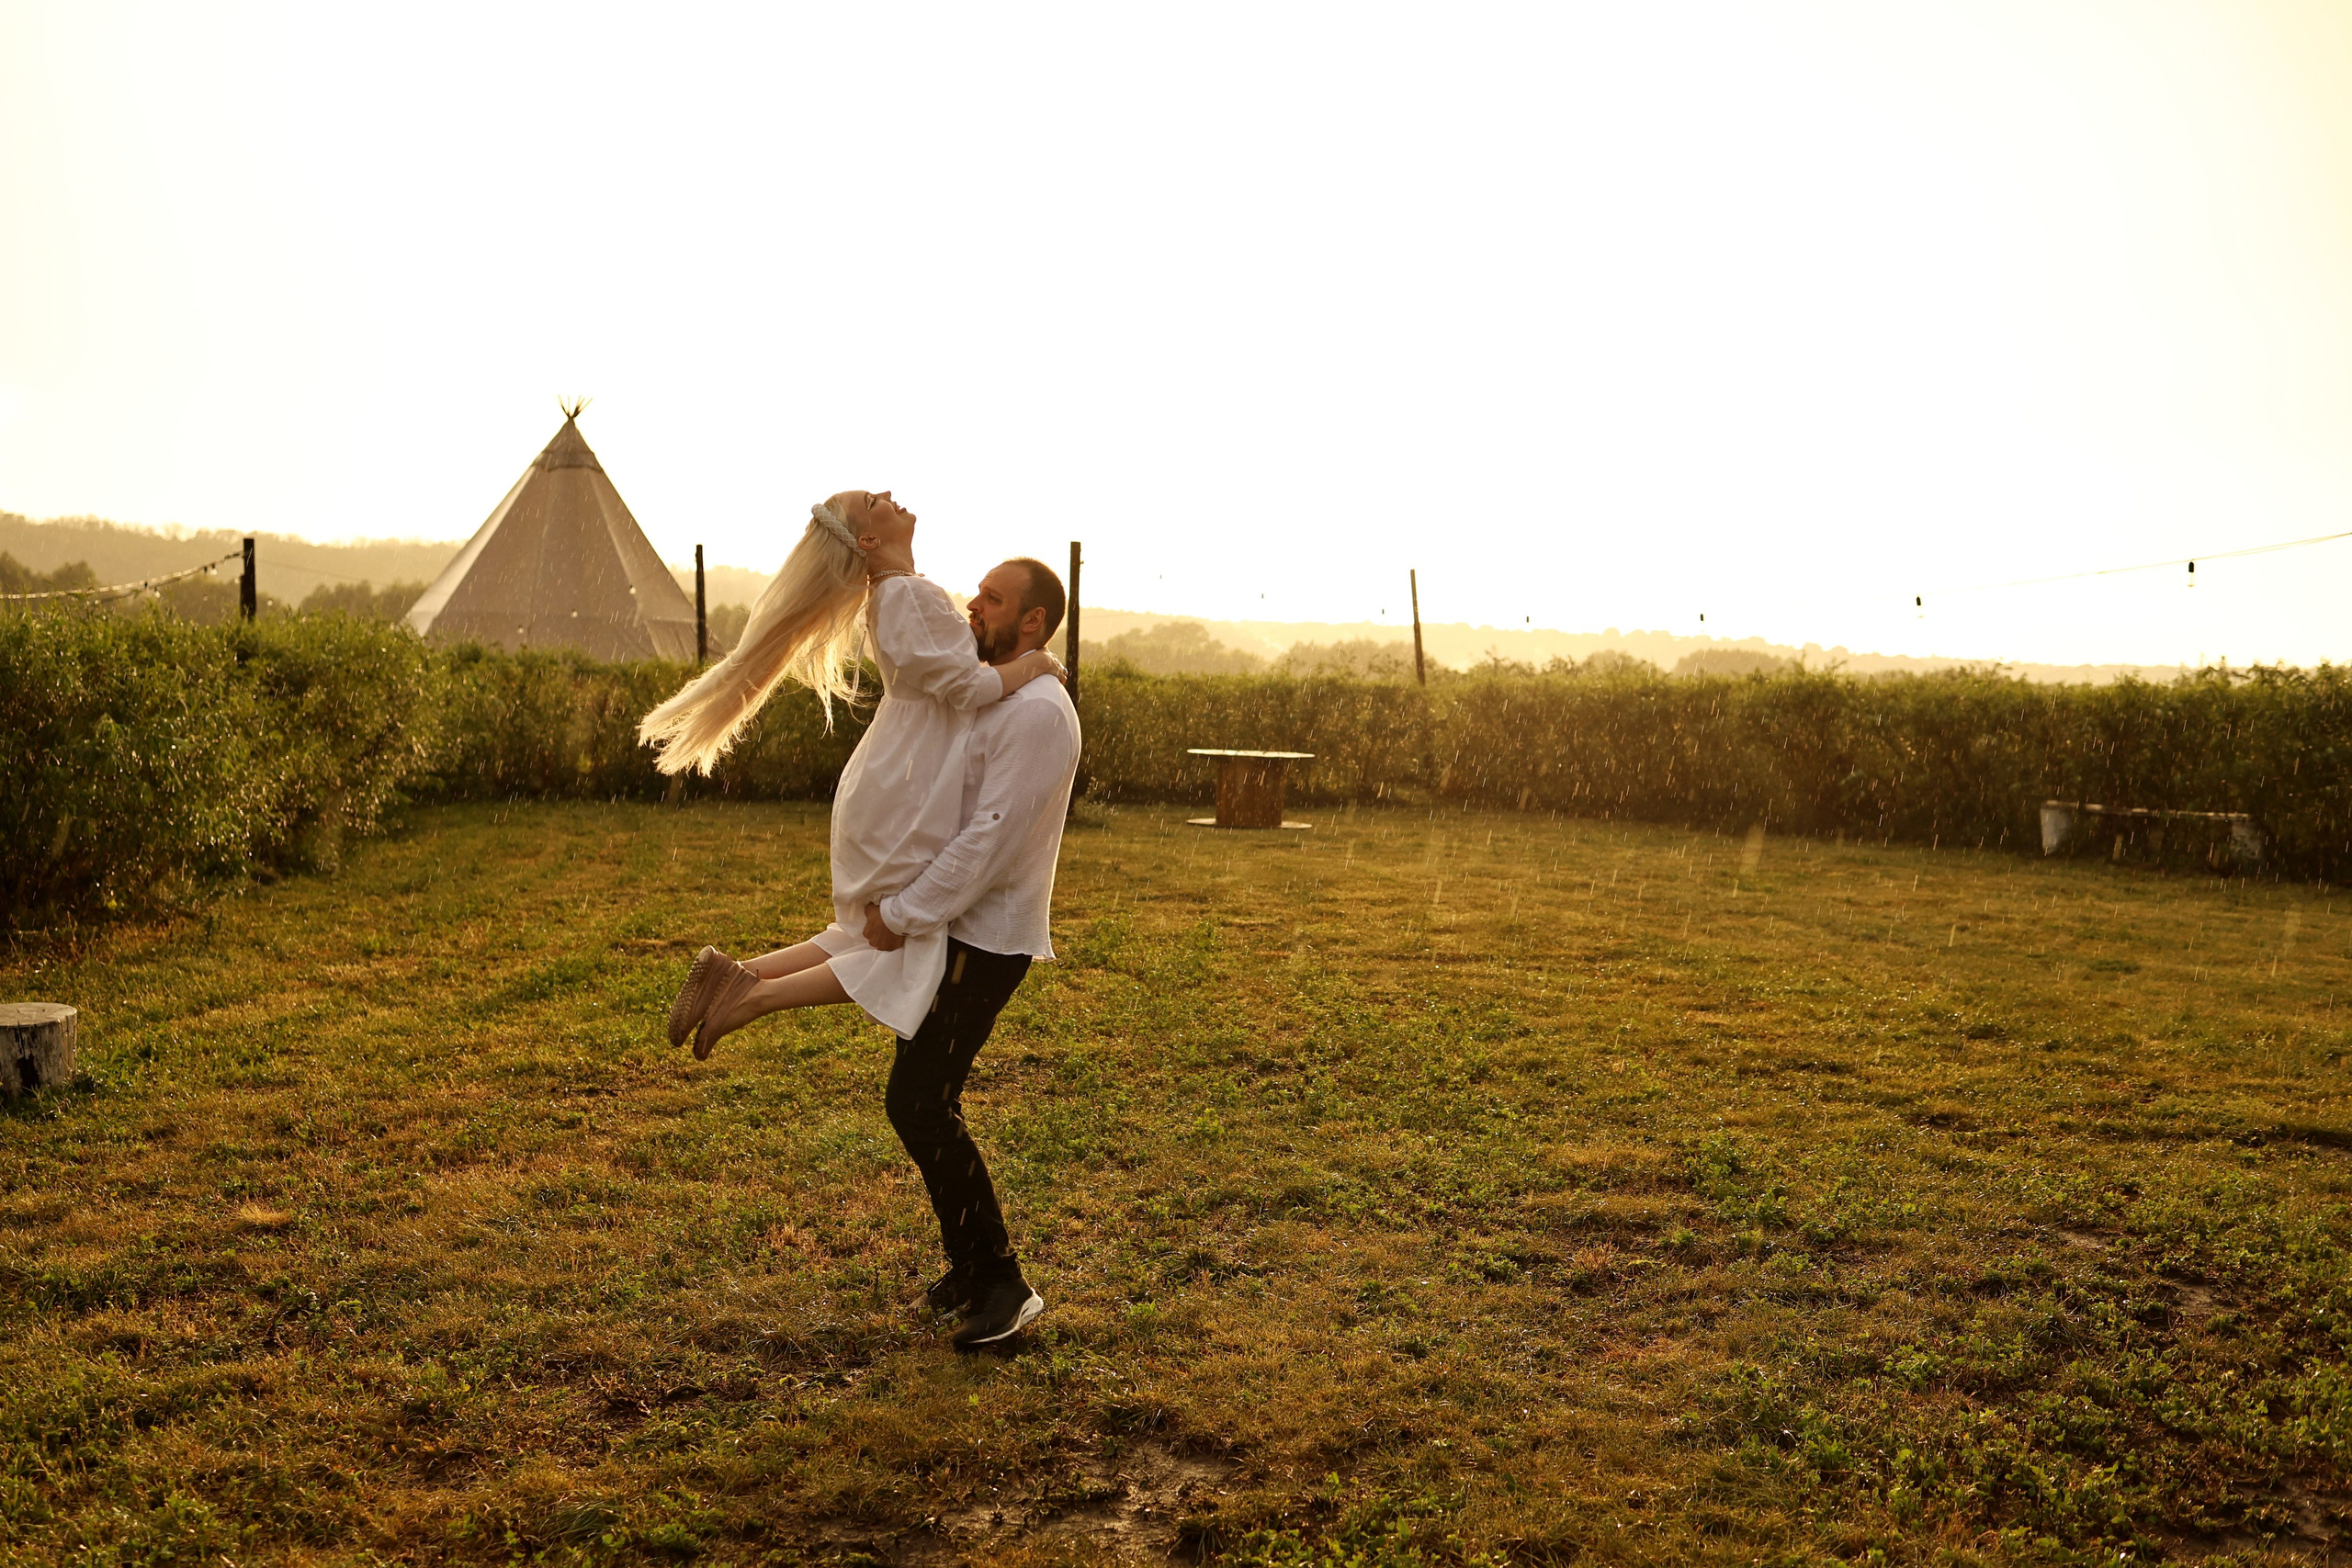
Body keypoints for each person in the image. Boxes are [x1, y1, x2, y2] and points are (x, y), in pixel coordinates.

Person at [643, 491, 1061, 1049]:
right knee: (901, 934)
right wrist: (1036, 662)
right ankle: (752, 997)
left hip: (895, 780)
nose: (888, 495)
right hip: (905, 787)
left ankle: (742, 975)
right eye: (873, 501)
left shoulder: (897, 596)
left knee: (878, 928)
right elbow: (968, 685)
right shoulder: (908, 593)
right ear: (867, 540)